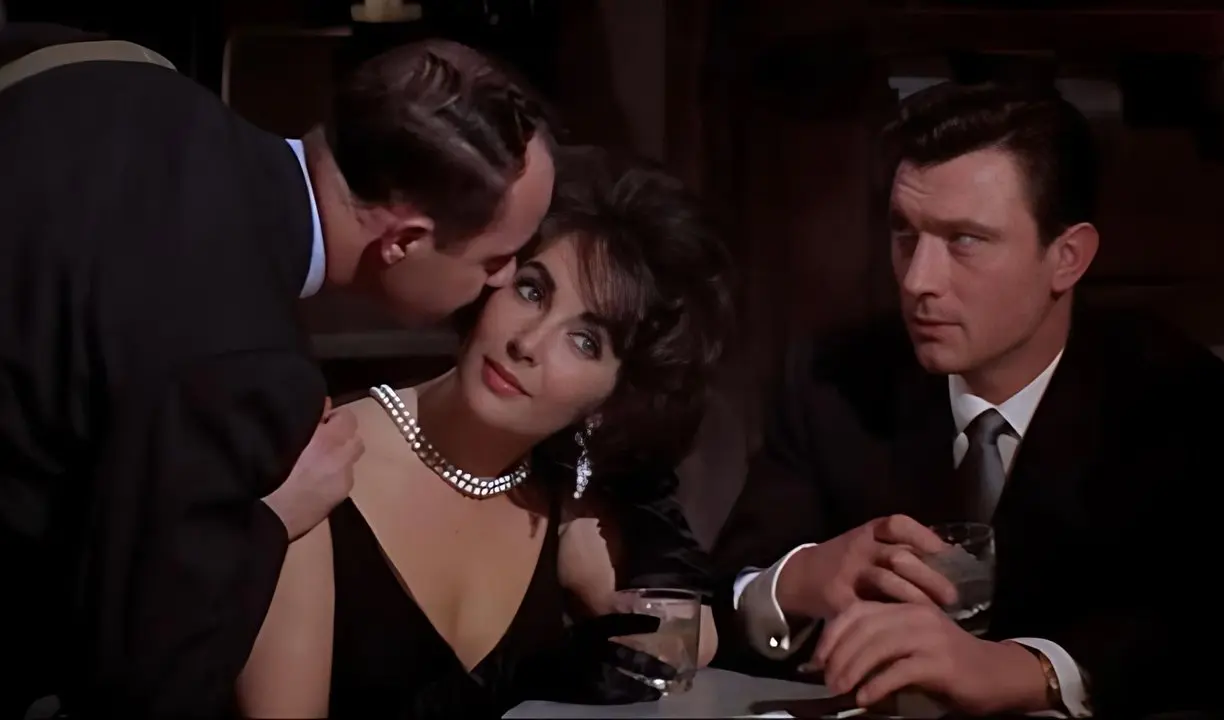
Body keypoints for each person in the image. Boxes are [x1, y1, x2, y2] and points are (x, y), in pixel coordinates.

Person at [0, 31, 554, 719]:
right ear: (405, 241)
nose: (503, 278)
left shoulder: (118, 77)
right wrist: (271, 519)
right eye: (495, 258)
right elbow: (142, 680)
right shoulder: (248, 370)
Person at [710, 81, 1224, 717]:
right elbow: (719, 600)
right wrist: (800, 579)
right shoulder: (834, 379)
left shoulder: (1173, 397)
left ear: (1067, 258)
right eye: (905, 234)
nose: (918, 280)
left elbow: (1217, 640)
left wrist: (1023, 670)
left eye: (965, 241)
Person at [234, 145, 734, 719]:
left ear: (617, 396)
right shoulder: (318, 469)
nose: (528, 342)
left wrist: (596, 558)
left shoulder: (569, 506)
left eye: (585, 341)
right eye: (532, 291)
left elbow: (687, 648)